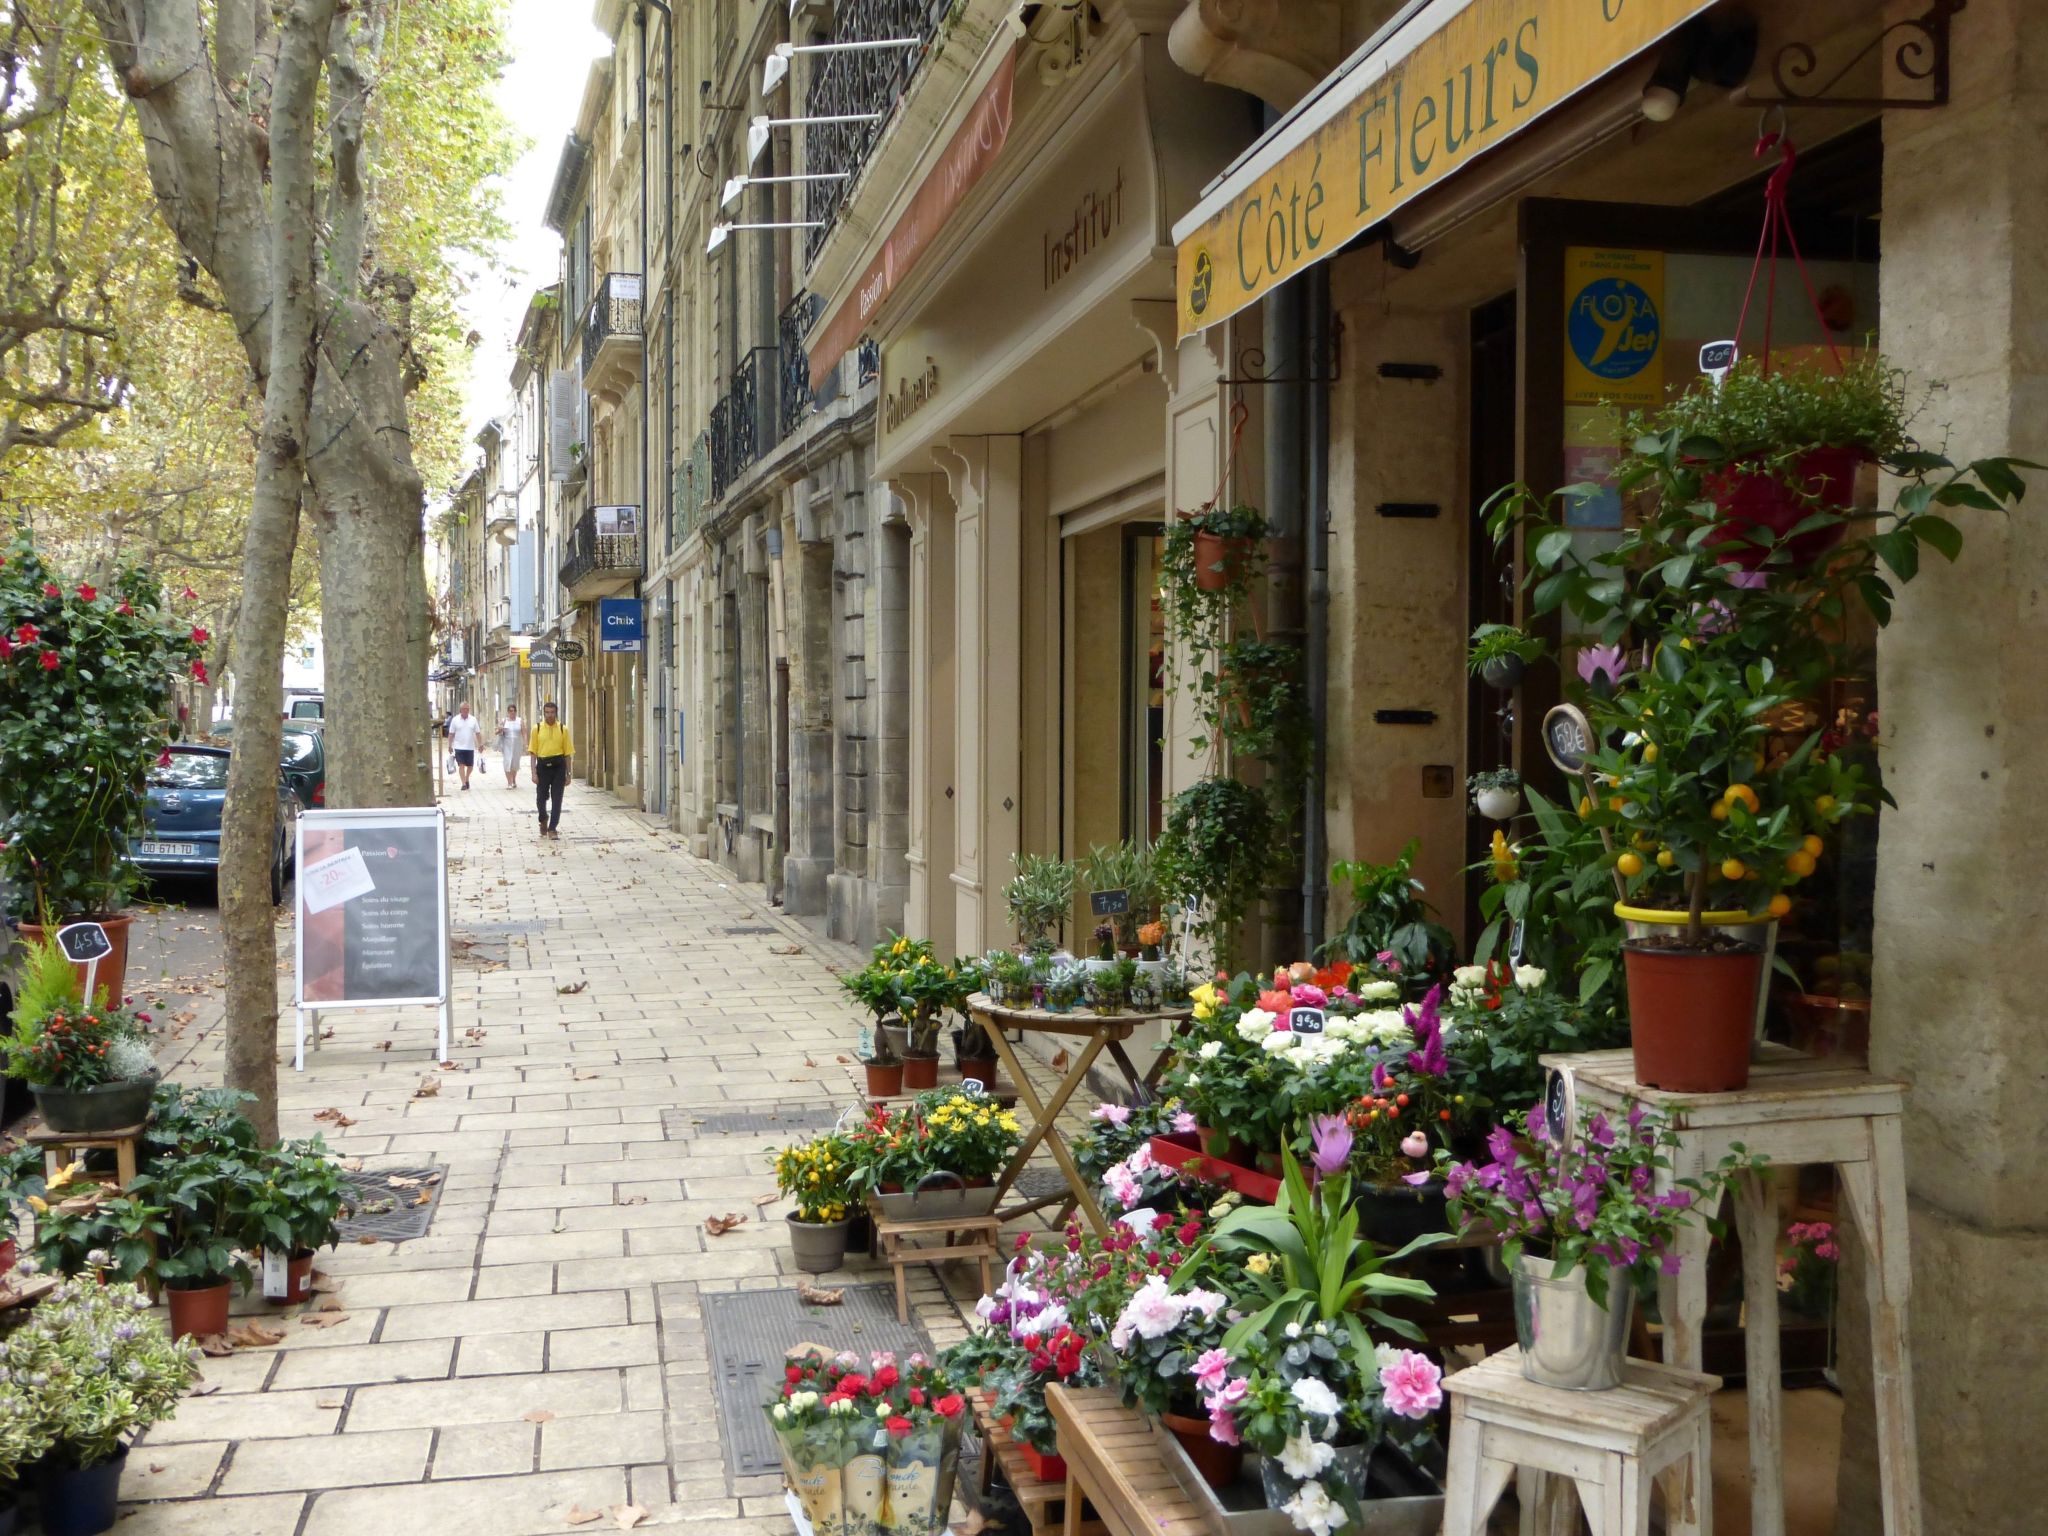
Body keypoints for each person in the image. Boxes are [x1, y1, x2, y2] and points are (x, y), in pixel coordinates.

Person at [530, 700, 572, 837]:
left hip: (559, 766)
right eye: (547, 713)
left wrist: (568, 773)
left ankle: (553, 828)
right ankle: (543, 818)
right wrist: (533, 773)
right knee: (541, 797)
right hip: (543, 766)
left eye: (552, 712)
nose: (549, 715)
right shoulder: (536, 729)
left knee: (557, 797)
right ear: (544, 713)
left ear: (556, 713)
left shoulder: (562, 729)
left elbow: (568, 753)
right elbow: (533, 753)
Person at [447, 702, 484, 791]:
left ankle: (467, 778)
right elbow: (451, 734)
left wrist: (480, 744)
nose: (466, 710)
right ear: (460, 710)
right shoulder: (455, 720)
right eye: (464, 709)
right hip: (458, 747)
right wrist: (449, 745)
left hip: (470, 746)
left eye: (467, 709)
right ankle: (463, 783)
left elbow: (478, 733)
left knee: (470, 766)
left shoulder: (473, 719)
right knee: (461, 765)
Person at [497, 704, 527, 789]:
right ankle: (509, 783)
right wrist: (500, 729)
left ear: (516, 712)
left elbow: (524, 732)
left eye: (513, 711)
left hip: (517, 744)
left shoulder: (520, 721)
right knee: (507, 762)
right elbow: (497, 731)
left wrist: (526, 744)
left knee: (515, 763)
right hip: (507, 744)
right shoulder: (504, 721)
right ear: (508, 712)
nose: (512, 712)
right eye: (510, 711)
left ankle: (513, 779)